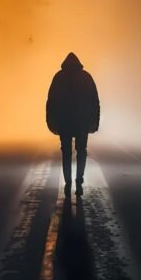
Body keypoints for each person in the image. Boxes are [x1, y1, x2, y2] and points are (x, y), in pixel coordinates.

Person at [45, 52, 101, 196]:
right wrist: (94, 122)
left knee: (66, 153)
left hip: (64, 122)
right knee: (81, 151)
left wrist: (51, 122)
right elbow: (94, 102)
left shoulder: (59, 77)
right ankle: (79, 181)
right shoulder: (86, 77)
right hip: (82, 122)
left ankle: (68, 183)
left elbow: (51, 102)